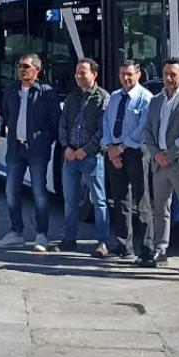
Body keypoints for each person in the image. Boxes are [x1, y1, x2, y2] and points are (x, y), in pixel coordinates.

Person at [0, 53, 60, 252]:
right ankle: (16, 232)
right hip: (15, 148)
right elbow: (6, 113)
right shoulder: (12, 89)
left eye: (26, 66)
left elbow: (55, 122)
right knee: (11, 192)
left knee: (39, 192)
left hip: (37, 150)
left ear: (37, 70)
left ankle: (41, 235)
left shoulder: (46, 92)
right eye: (19, 66)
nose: (22, 70)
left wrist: (44, 142)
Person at [144, 58, 179, 271]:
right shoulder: (156, 100)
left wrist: (171, 154)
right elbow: (148, 130)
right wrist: (156, 153)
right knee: (160, 209)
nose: (168, 78)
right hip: (159, 164)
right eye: (166, 73)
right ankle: (160, 249)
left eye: (173, 74)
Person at [101, 60, 154, 262]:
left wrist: (121, 147)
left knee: (142, 199)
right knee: (119, 199)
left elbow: (142, 128)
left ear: (139, 74)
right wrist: (110, 149)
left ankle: (147, 248)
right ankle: (124, 244)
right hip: (114, 151)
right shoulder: (114, 97)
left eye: (130, 74)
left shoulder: (145, 98)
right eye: (123, 74)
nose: (126, 78)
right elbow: (106, 122)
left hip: (136, 152)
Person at [58, 59, 110, 256]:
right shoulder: (72, 97)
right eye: (77, 73)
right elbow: (63, 124)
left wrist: (86, 150)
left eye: (83, 73)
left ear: (94, 74)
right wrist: (66, 147)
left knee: (99, 201)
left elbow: (103, 129)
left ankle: (103, 242)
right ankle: (69, 239)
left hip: (92, 157)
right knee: (70, 201)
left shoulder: (102, 97)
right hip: (71, 157)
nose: (78, 76)